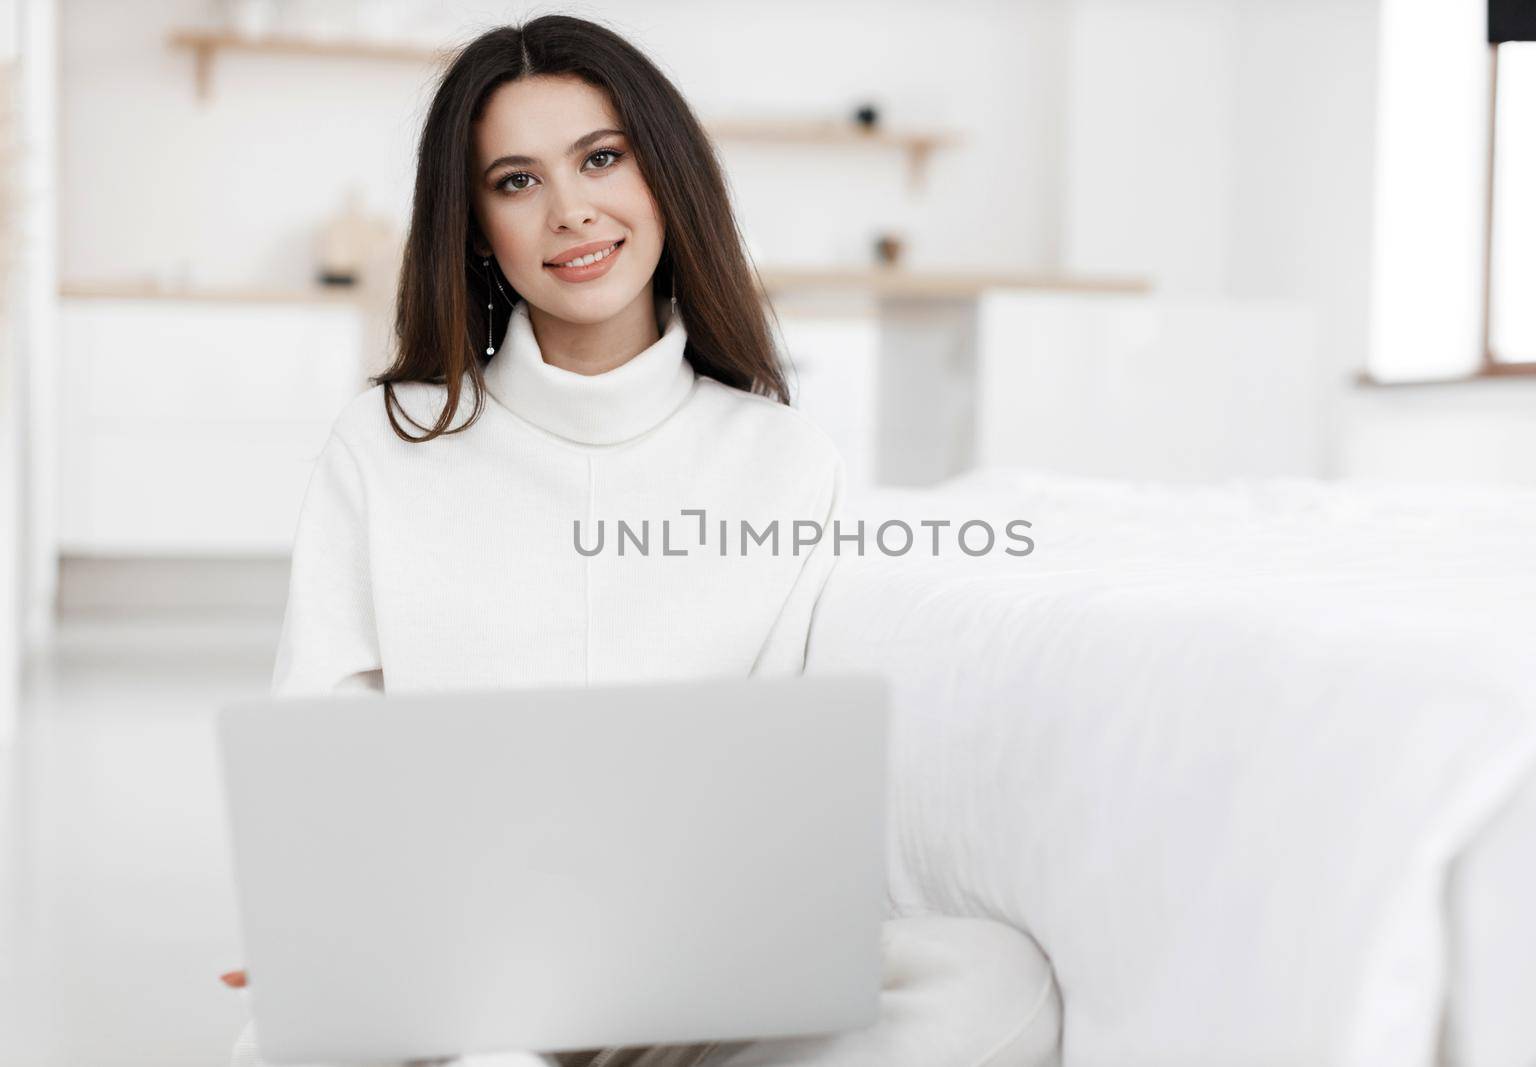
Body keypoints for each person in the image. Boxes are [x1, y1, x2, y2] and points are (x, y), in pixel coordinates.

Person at [224, 15, 1061, 1067]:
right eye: (516, 181)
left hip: (688, 990)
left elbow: (786, 774)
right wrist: (321, 916)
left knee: (991, 980)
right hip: (454, 994)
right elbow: (320, 753)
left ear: (665, 175)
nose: (570, 208)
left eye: (601, 158)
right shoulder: (387, 444)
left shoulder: (784, 459)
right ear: (477, 225)